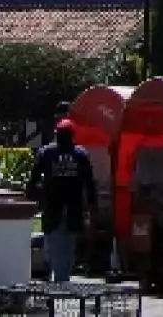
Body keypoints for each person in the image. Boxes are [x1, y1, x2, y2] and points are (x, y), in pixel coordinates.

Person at [28, 118, 98, 282]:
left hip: (53, 206)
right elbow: (89, 183)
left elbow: (33, 180)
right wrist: (92, 205)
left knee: (54, 243)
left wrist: (31, 197)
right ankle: (62, 277)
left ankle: (60, 277)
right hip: (72, 207)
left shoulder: (46, 153)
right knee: (68, 245)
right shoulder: (80, 154)